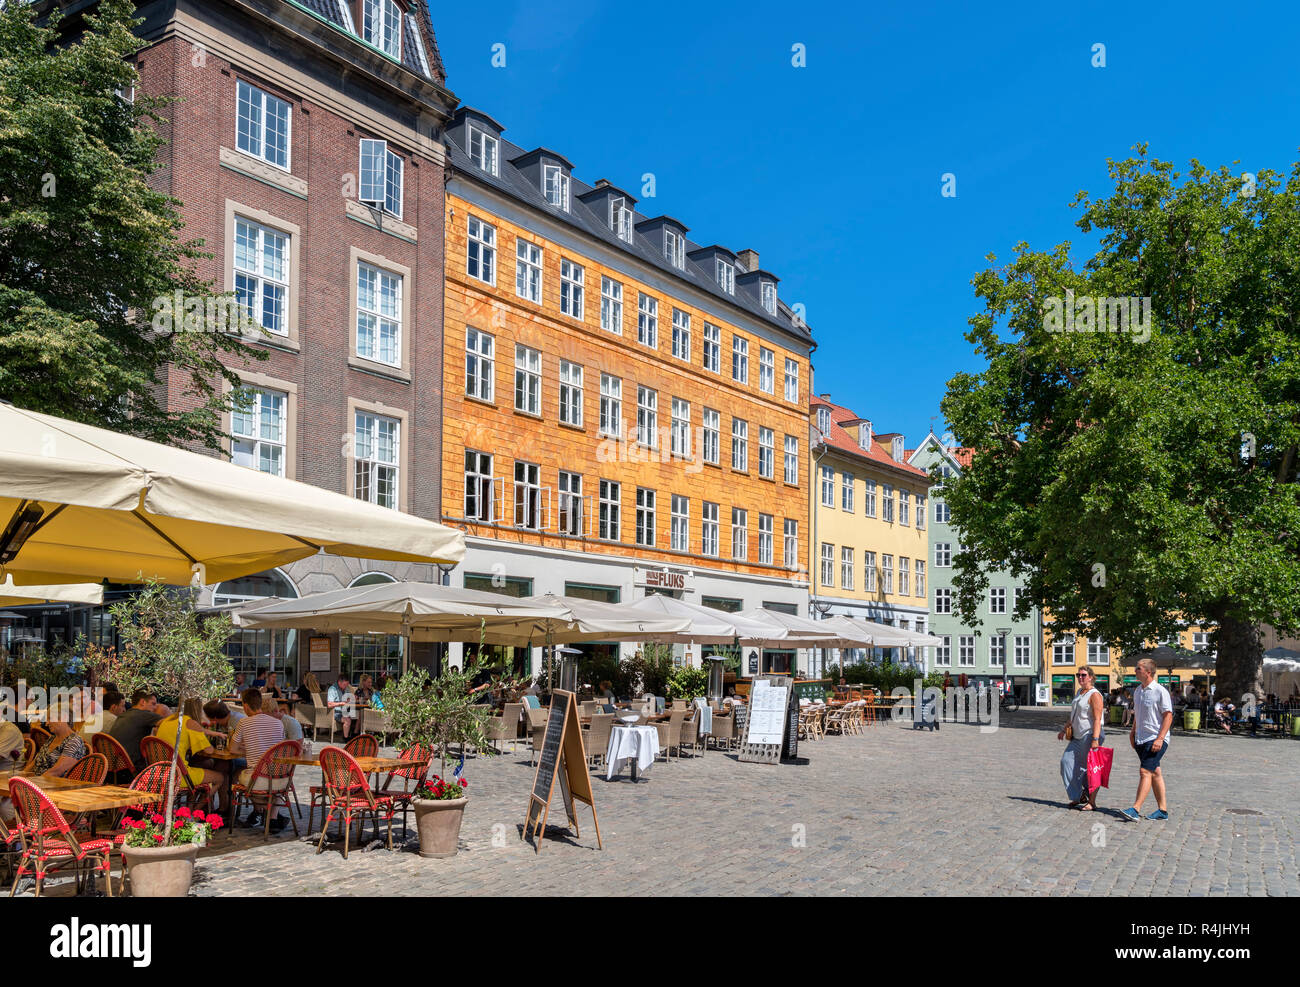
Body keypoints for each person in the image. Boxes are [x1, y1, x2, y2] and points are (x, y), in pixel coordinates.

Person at [1121, 658, 1173, 822]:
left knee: (1145, 771)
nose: (1135, 671)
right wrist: (1133, 732)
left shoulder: (1160, 691)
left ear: (1148, 672)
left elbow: (1168, 716)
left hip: (1155, 738)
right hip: (1141, 738)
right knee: (1155, 772)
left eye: (1138, 669)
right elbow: (1138, 714)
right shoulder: (1138, 691)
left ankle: (1135, 809)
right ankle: (1162, 811)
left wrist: (1160, 738)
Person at [229, 689, 287, 831]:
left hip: (256, 780)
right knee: (278, 787)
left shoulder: (244, 723)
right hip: (280, 780)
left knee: (237, 774)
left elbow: (232, 749)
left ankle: (258, 811)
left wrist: (247, 749)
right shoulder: (278, 723)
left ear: (246, 706)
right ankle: (271, 817)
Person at [155, 699, 225, 801]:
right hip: (178, 775)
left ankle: (189, 808)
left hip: (160, 772)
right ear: (198, 709)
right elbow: (209, 751)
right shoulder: (190, 722)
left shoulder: (167, 720)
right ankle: (194, 813)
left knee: (203, 764)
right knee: (220, 778)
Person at [1058, 668, 1105, 810]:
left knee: (1090, 769)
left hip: (1090, 734)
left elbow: (1097, 719)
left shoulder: (1094, 694)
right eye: (1078, 675)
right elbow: (1074, 715)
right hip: (1077, 736)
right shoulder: (1079, 693)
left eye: (1083, 675)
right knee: (1066, 762)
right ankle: (1079, 795)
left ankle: (1091, 801)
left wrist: (1095, 739)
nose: (1080, 677)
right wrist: (1063, 729)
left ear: (1091, 677)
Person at [108, 690, 163, 773]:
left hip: (113, 768)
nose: (155, 708)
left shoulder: (123, 715)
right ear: (142, 702)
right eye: (153, 704)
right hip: (131, 770)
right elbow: (169, 723)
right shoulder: (144, 714)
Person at [327, 673, 357, 740]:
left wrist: (352, 698)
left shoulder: (345, 689)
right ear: (339, 682)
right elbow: (329, 704)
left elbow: (347, 700)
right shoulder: (332, 689)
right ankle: (346, 738)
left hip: (344, 711)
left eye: (347, 684)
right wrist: (341, 703)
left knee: (357, 716)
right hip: (335, 712)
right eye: (345, 684)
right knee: (348, 719)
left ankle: (354, 735)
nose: (346, 686)